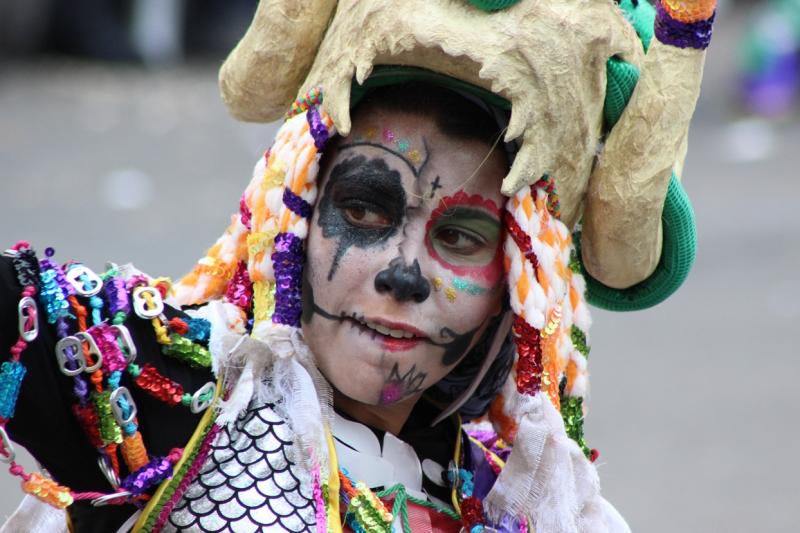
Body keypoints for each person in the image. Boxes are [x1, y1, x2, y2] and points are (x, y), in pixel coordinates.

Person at [0, 0, 717, 531]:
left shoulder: (536, 509)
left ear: (518, 289)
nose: (402, 274)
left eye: (462, 238)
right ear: (296, 212)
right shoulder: (168, 390)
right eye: (367, 210)